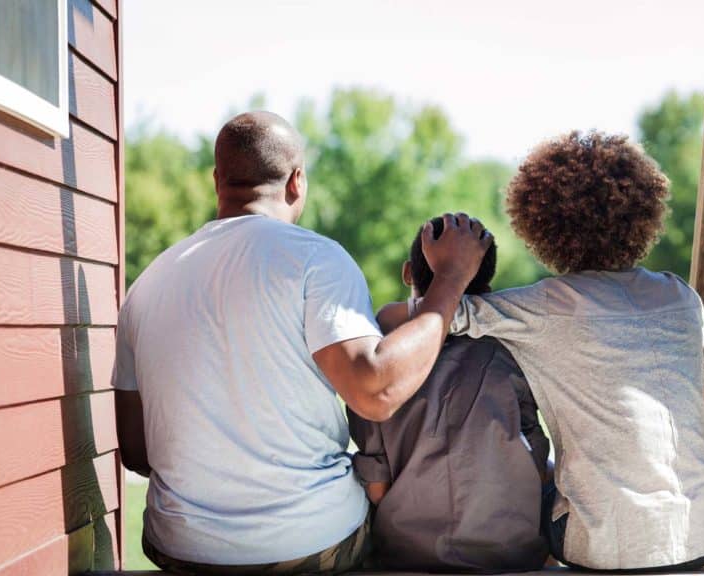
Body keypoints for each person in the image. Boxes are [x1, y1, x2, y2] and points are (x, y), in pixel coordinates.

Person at [111, 111, 492, 575]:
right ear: (297, 182)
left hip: (180, 547)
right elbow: (376, 392)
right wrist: (450, 279)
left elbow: (135, 450)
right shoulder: (314, 258)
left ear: (217, 181)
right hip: (306, 546)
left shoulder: (146, 286)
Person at [383, 131, 704, 571]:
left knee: (531, 491)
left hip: (607, 550)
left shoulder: (545, 306)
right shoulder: (679, 295)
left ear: (540, 225)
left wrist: (400, 301)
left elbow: (437, 315)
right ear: (644, 217)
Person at [348, 217, 550, 572]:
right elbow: (536, 455)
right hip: (510, 556)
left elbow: (376, 488)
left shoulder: (379, 346)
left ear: (408, 272)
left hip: (406, 556)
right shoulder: (513, 344)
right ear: (485, 281)